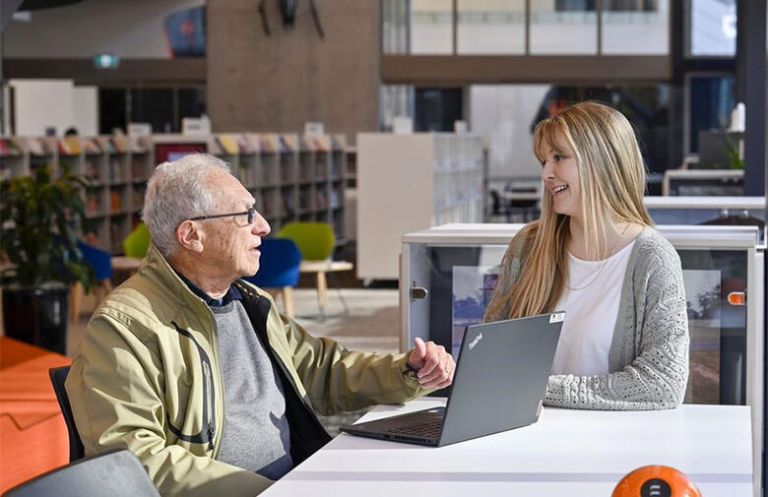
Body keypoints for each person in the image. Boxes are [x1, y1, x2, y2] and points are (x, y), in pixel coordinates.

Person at [66, 153, 455, 497]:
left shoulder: (249, 302)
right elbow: (131, 457)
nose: (265, 226)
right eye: (245, 215)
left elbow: (319, 370)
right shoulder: (126, 326)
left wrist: (406, 371)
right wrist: (275, 491)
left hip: (293, 480)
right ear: (192, 235)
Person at [484, 101, 689, 411]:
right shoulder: (528, 246)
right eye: (544, 161)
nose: (546, 174)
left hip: (612, 449)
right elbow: (488, 357)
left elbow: (662, 383)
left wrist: (540, 388)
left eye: (559, 158)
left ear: (601, 161)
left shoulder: (652, 258)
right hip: (524, 440)